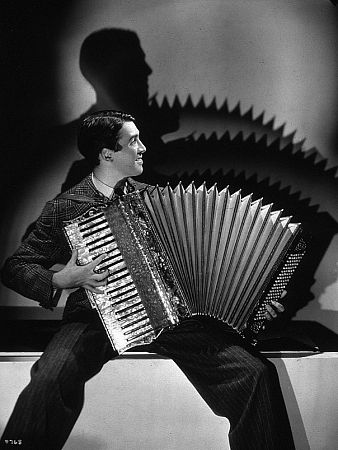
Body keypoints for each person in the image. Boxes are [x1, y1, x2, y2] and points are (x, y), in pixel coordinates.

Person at [1, 110, 295, 450]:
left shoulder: (156, 200)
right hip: (96, 319)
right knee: (49, 379)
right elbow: (16, 266)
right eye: (133, 141)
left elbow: (205, 265)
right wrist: (61, 280)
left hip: (169, 319)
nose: (143, 148)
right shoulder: (67, 206)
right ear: (106, 153)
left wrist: (253, 300)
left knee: (254, 374)